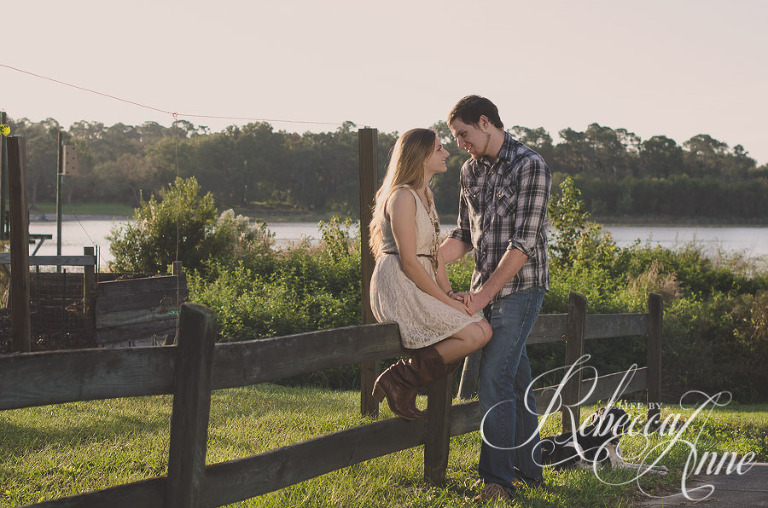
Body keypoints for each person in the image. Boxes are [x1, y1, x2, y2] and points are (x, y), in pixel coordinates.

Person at [440, 96, 551, 503]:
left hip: (521, 290)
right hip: (484, 292)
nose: (460, 144)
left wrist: (482, 294)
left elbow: (522, 245)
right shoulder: (470, 171)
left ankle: (497, 483)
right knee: (514, 378)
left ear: (485, 122)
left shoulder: (530, 165)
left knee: (494, 379)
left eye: (463, 134)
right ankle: (530, 472)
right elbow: (463, 236)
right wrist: (423, 259)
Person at [369, 128, 493, 421]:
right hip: (399, 285)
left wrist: (450, 294)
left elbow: (434, 256)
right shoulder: (402, 198)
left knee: (484, 330)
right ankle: (400, 380)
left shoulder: (424, 194)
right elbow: (411, 263)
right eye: (439, 149)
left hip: (421, 282)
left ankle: (403, 382)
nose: (447, 153)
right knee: (472, 334)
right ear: (421, 155)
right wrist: (447, 303)